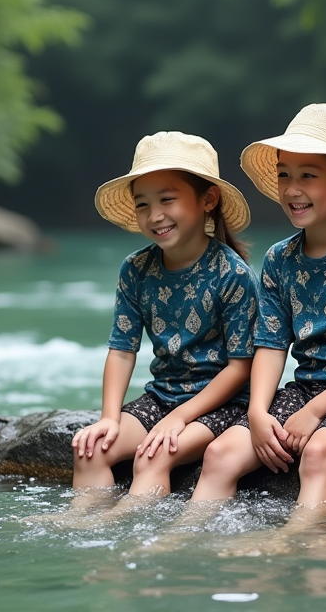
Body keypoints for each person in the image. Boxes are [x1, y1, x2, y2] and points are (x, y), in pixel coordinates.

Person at [179, 103, 326, 545]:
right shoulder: (279, 259)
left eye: (308, 175)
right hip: (305, 390)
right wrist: (258, 411)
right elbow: (270, 343)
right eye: (285, 174)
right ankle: (183, 541)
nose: (291, 189)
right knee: (220, 453)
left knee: (320, 454)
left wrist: (316, 412)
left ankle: (297, 548)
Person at [55, 131, 260, 522]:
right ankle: (80, 522)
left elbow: (241, 367)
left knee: (153, 455)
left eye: (167, 200)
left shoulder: (233, 273)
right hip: (162, 396)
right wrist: (109, 418)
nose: (155, 215)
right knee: (91, 449)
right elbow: (121, 349)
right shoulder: (136, 268)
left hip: (222, 405)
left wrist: (180, 418)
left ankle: (120, 526)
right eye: (143, 204)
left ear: (207, 200)